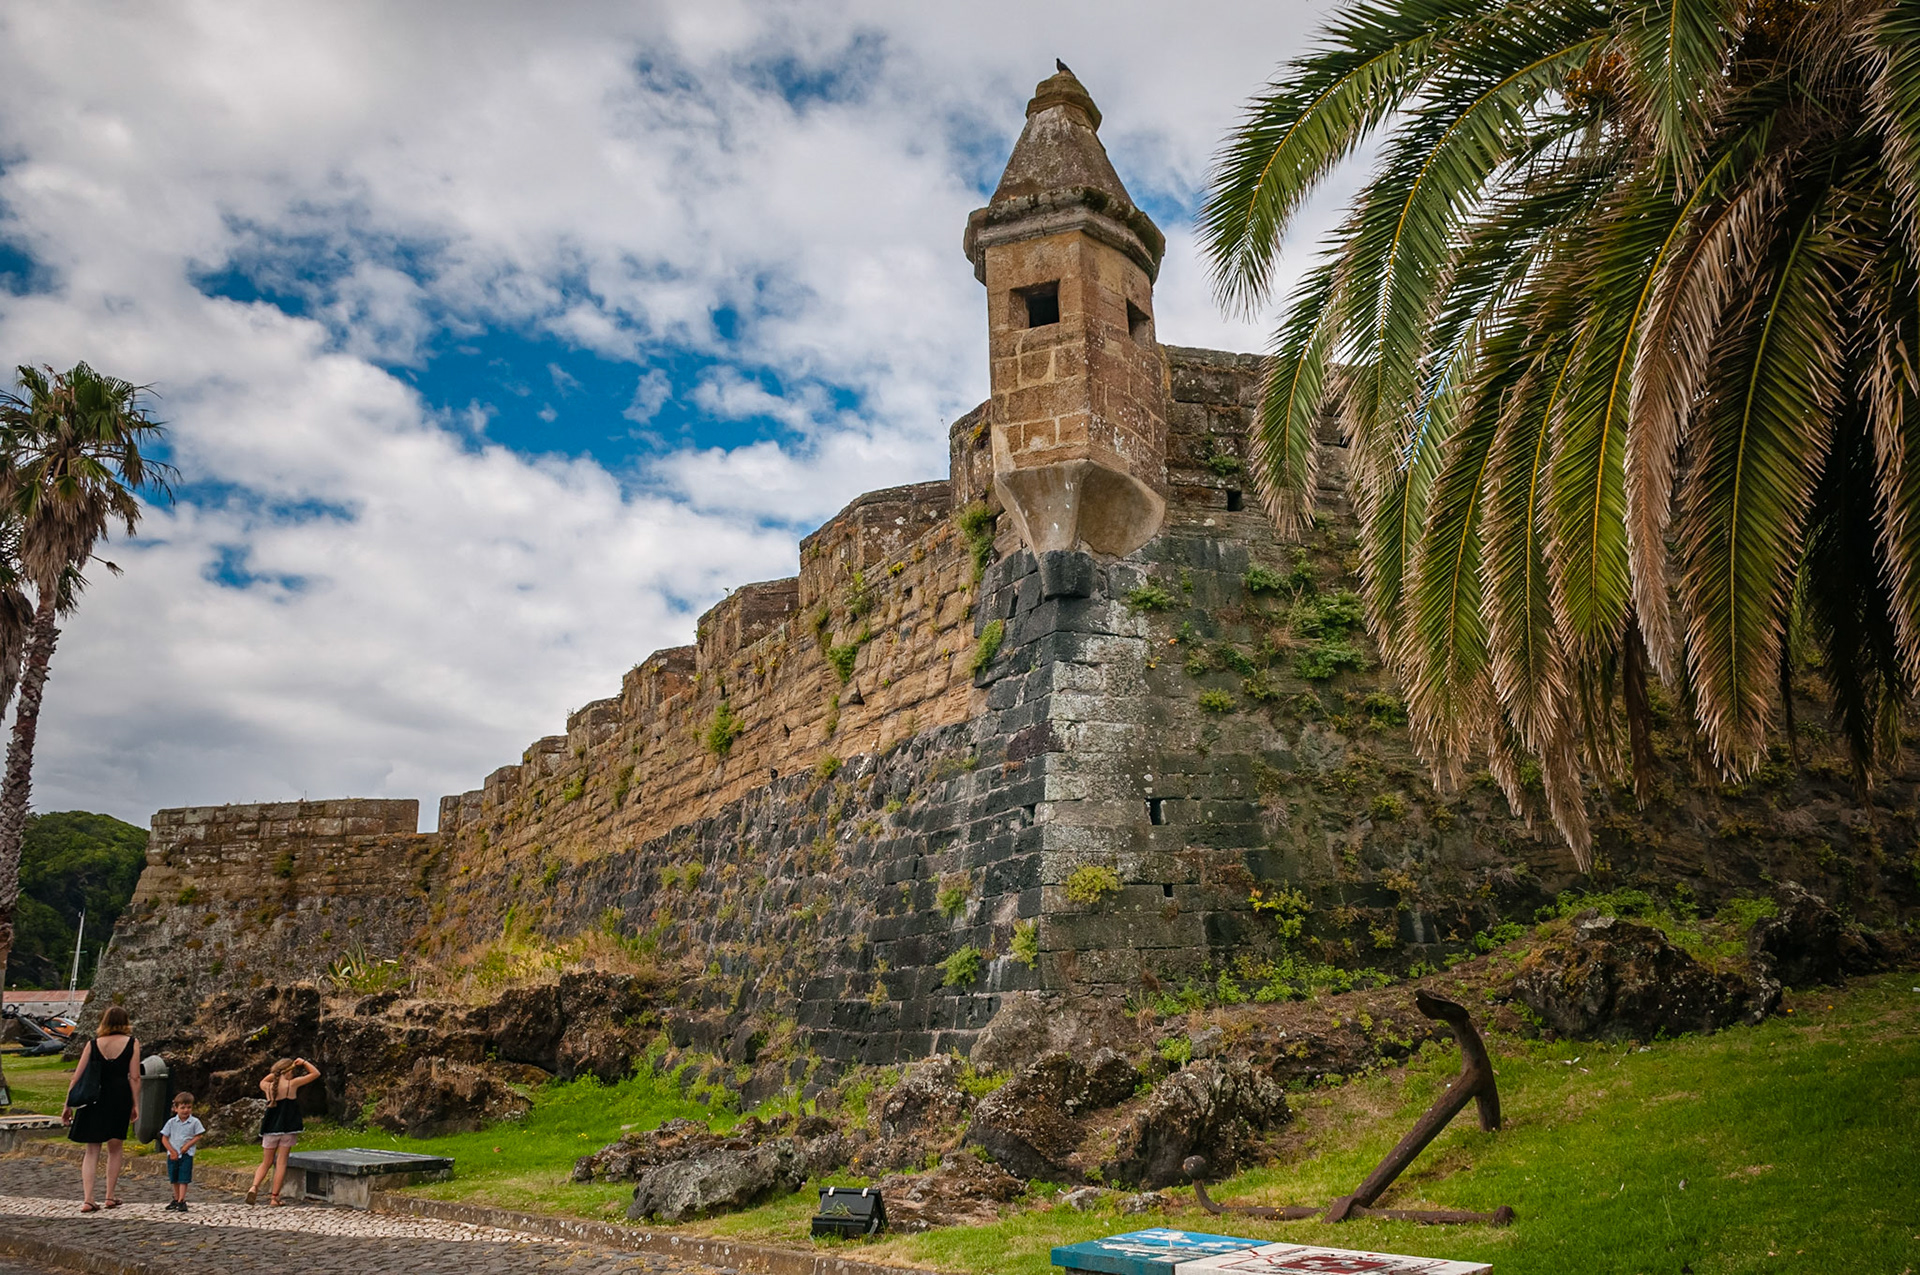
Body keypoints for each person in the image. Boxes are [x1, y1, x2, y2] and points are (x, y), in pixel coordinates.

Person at [61, 1005, 141, 1213]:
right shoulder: (132, 1043)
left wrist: (68, 1104)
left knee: (92, 1149)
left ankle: (88, 1198)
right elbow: (134, 1077)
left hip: (94, 1096)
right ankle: (109, 1195)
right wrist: (135, 1103)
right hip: (119, 1095)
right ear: (125, 1022)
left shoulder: (93, 1044)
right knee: (115, 1147)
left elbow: (76, 1076)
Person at [247, 1056, 319, 1206]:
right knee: (281, 1163)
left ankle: (254, 1187)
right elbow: (316, 1073)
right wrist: (304, 1062)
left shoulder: (267, 1086)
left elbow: (264, 1079)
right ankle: (274, 1198)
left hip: (270, 1129)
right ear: (289, 1071)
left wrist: (277, 1073)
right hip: (288, 1128)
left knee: (266, 1162)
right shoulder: (292, 1084)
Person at [158, 1092, 206, 1211]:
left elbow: (198, 1135)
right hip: (173, 1155)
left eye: (188, 1107)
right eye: (182, 1108)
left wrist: (188, 1145)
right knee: (174, 1177)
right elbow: (164, 1137)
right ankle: (176, 1197)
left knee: (183, 1177)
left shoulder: (194, 1122)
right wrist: (171, 1150)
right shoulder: (171, 1122)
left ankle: (181, 1200)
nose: (186, 1110)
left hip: (186, 1154)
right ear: (176, 1109)